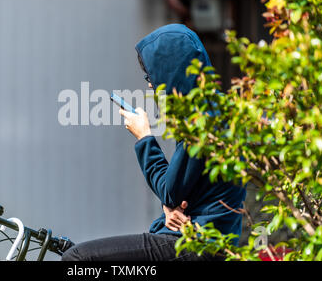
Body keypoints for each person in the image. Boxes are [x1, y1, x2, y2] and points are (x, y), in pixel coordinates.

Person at [61, 24, 247, 261]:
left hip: (194, 246)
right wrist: (169, 207)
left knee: (76, 258)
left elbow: (170, 191)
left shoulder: (203, 119)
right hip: (202, 241)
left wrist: (144, 138)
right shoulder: (217, 108)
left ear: (171, 70)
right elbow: (180, 192)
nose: (150, 84)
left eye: (152, 75)